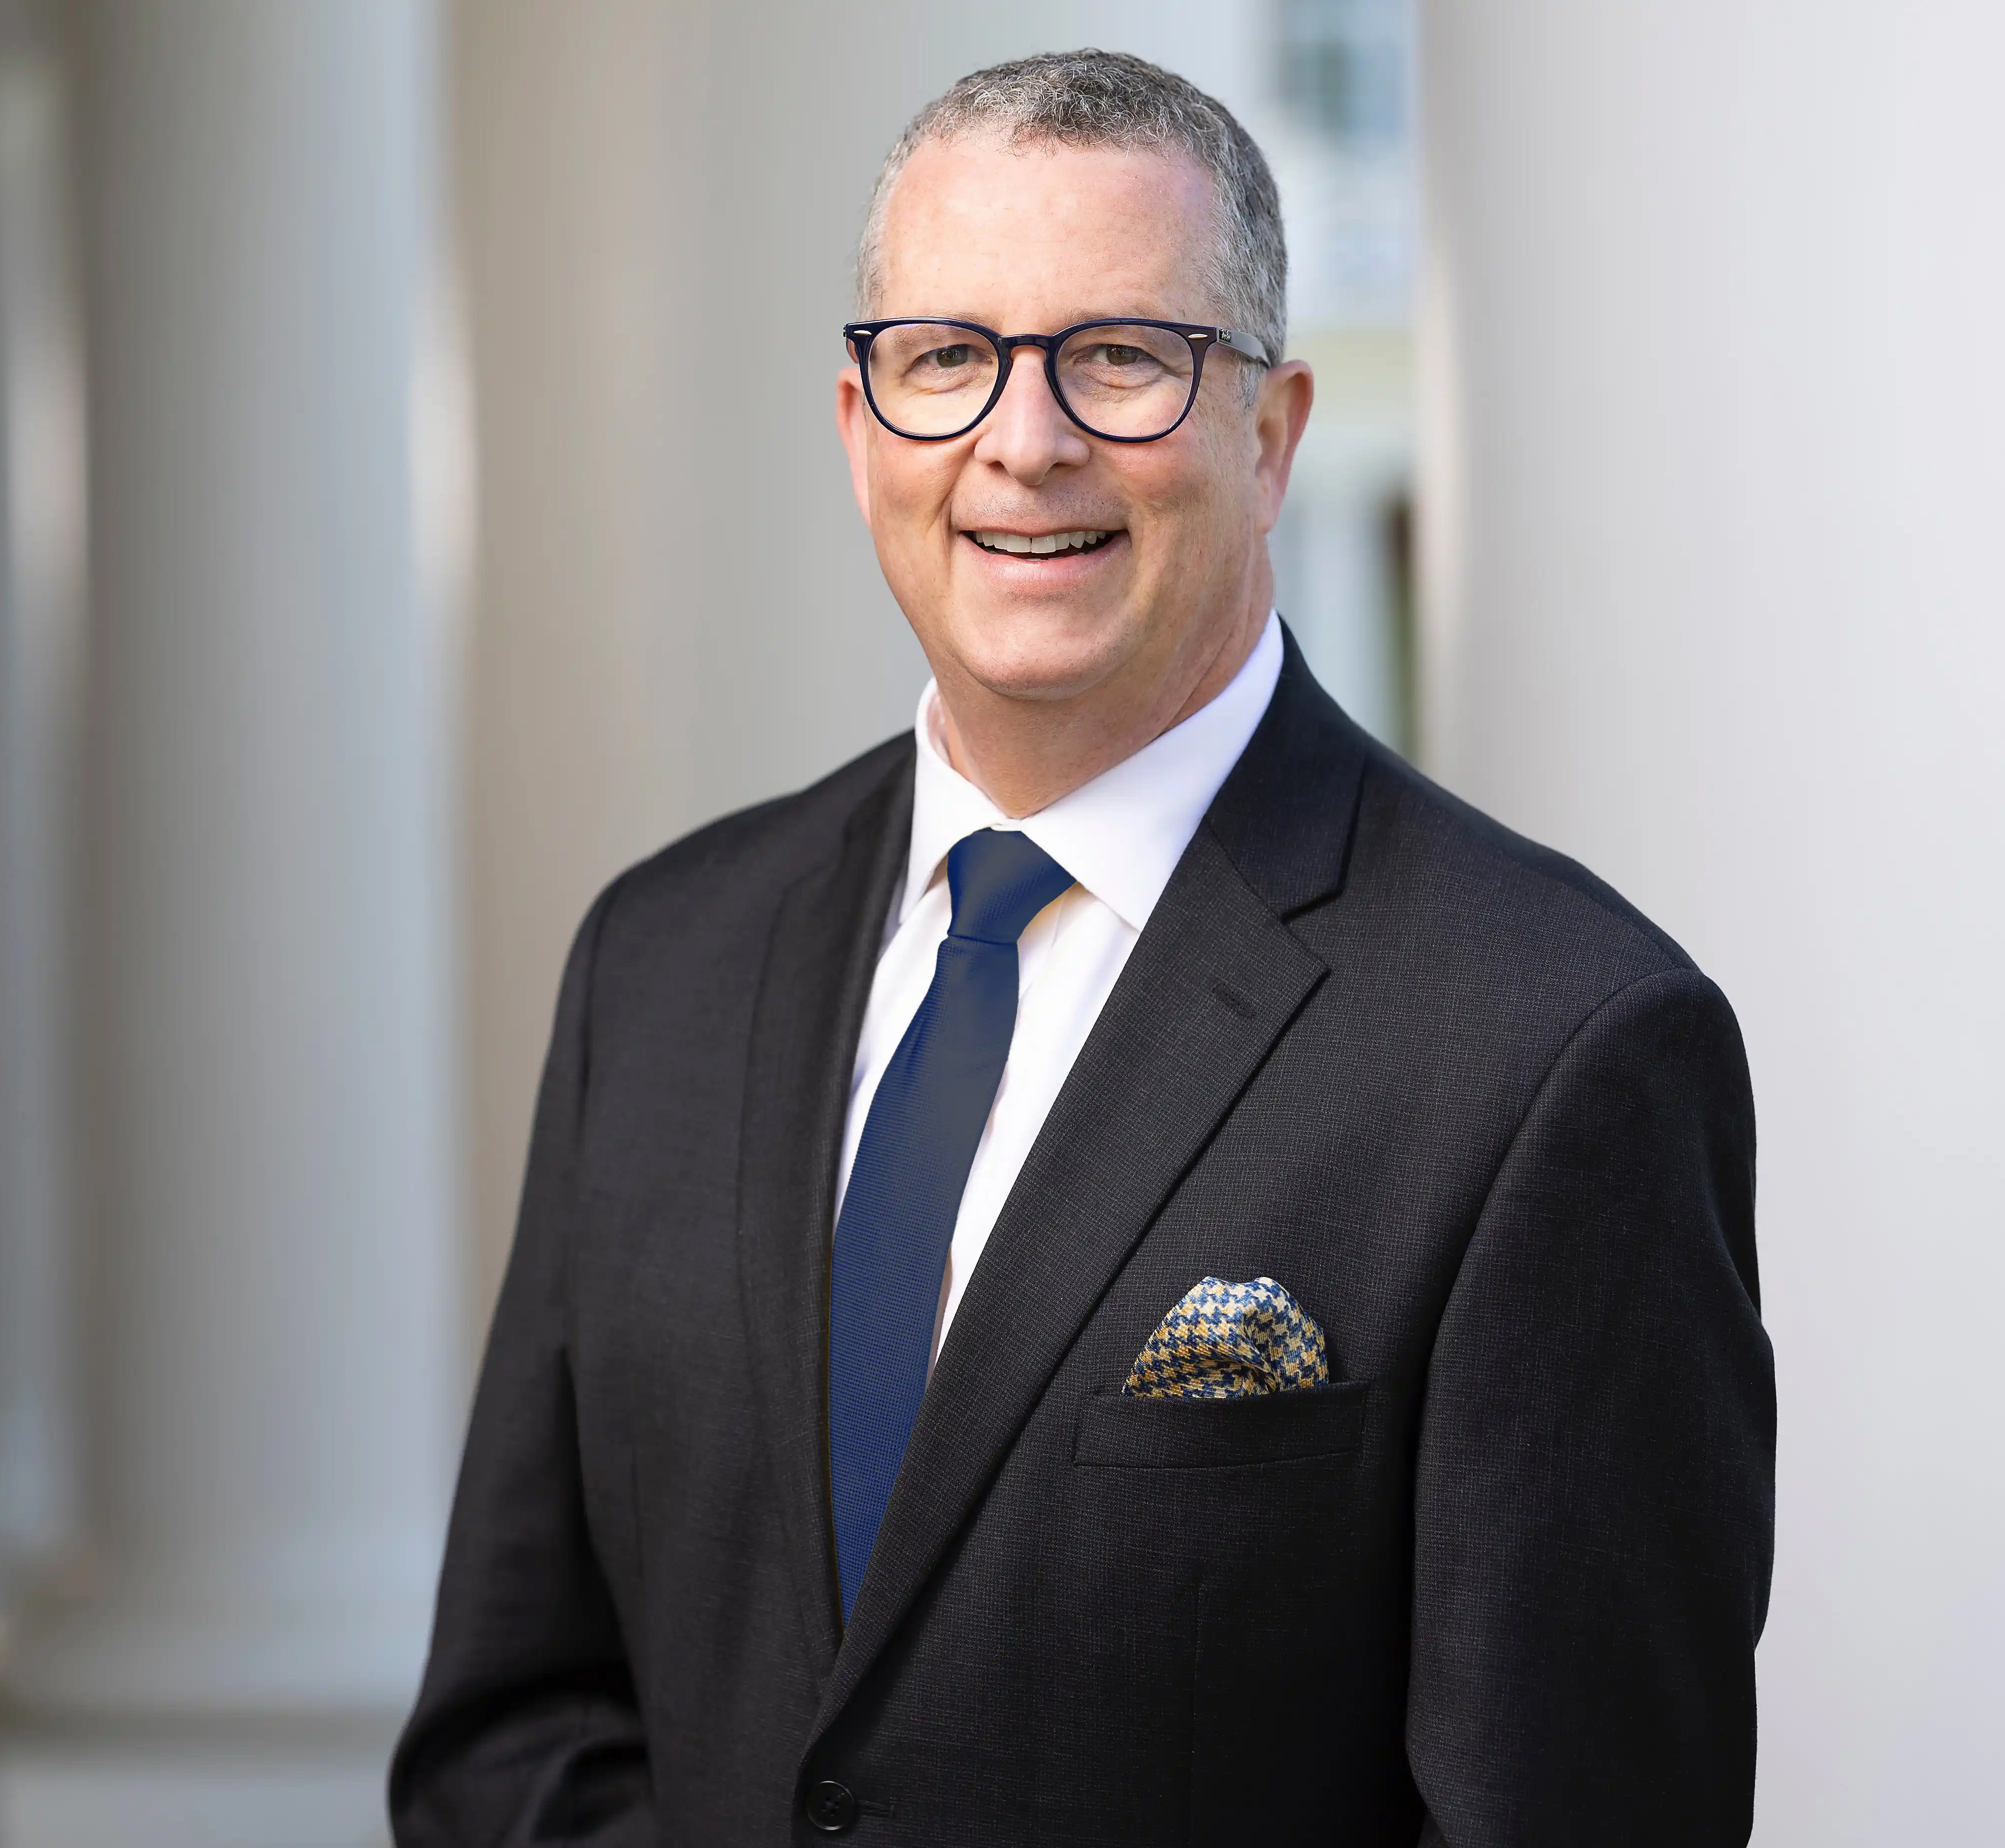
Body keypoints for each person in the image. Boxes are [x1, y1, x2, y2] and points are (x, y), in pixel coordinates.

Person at [392, 48, 1772, 1847]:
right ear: (856, 424)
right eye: (945, 359)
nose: (1021, 441)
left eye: (1119, 357)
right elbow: (514, 1730)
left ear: (1266, 436)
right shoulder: (660, 964)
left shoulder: (1552, 1045)